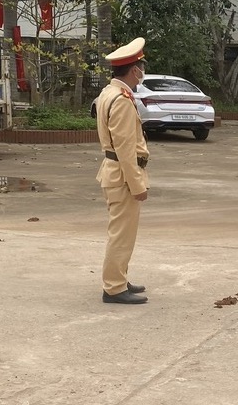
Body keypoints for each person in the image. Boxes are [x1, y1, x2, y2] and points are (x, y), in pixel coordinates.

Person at [96, 37, 151, 305]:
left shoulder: (110, 93)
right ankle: (114, 288)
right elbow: (125, 148)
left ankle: (119, 277)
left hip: (114, 173)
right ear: (133, 70)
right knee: (121, 234)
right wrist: (137, 185)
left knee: (122, 232)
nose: (142, 72)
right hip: (122, 176)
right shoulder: (120, 99)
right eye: (141, 67)